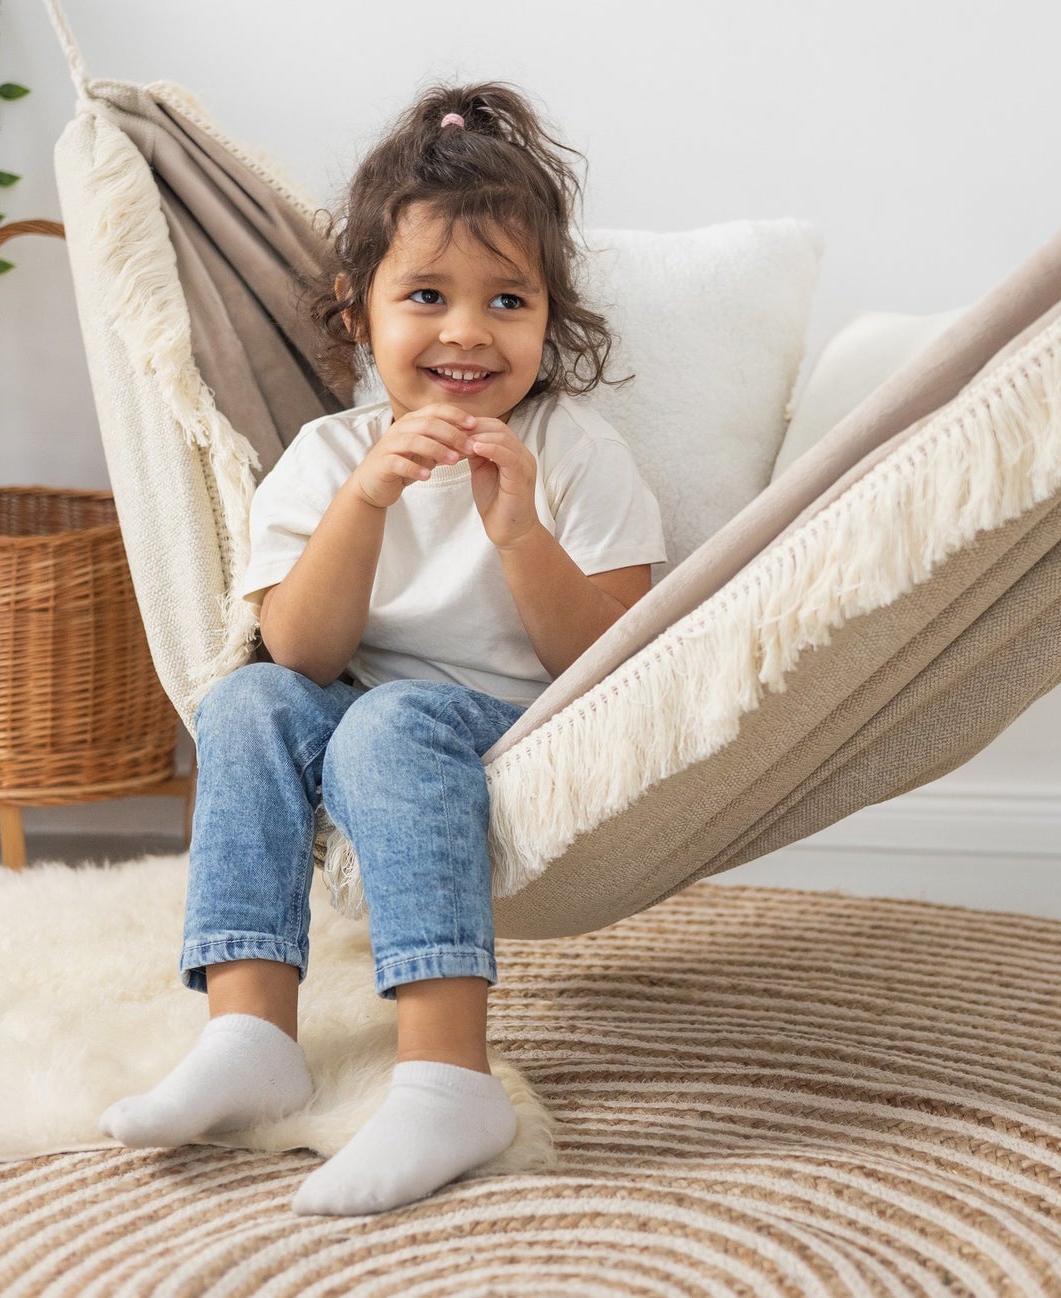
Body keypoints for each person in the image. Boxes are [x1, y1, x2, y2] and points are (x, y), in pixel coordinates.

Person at [96, 81, 667, 1217]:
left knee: (393, 719)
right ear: (358, 316)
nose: (466, 329)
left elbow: (613, 660)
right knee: (245, 703)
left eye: (507, 298)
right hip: (346, 710)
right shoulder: (323, 459)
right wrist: (363, 500)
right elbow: (299, 652)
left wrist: (518, 530)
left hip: (510, 733)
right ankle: (251, 1029)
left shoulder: (576, 454)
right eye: (425, 295)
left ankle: (450, 1076)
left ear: (550, 321)